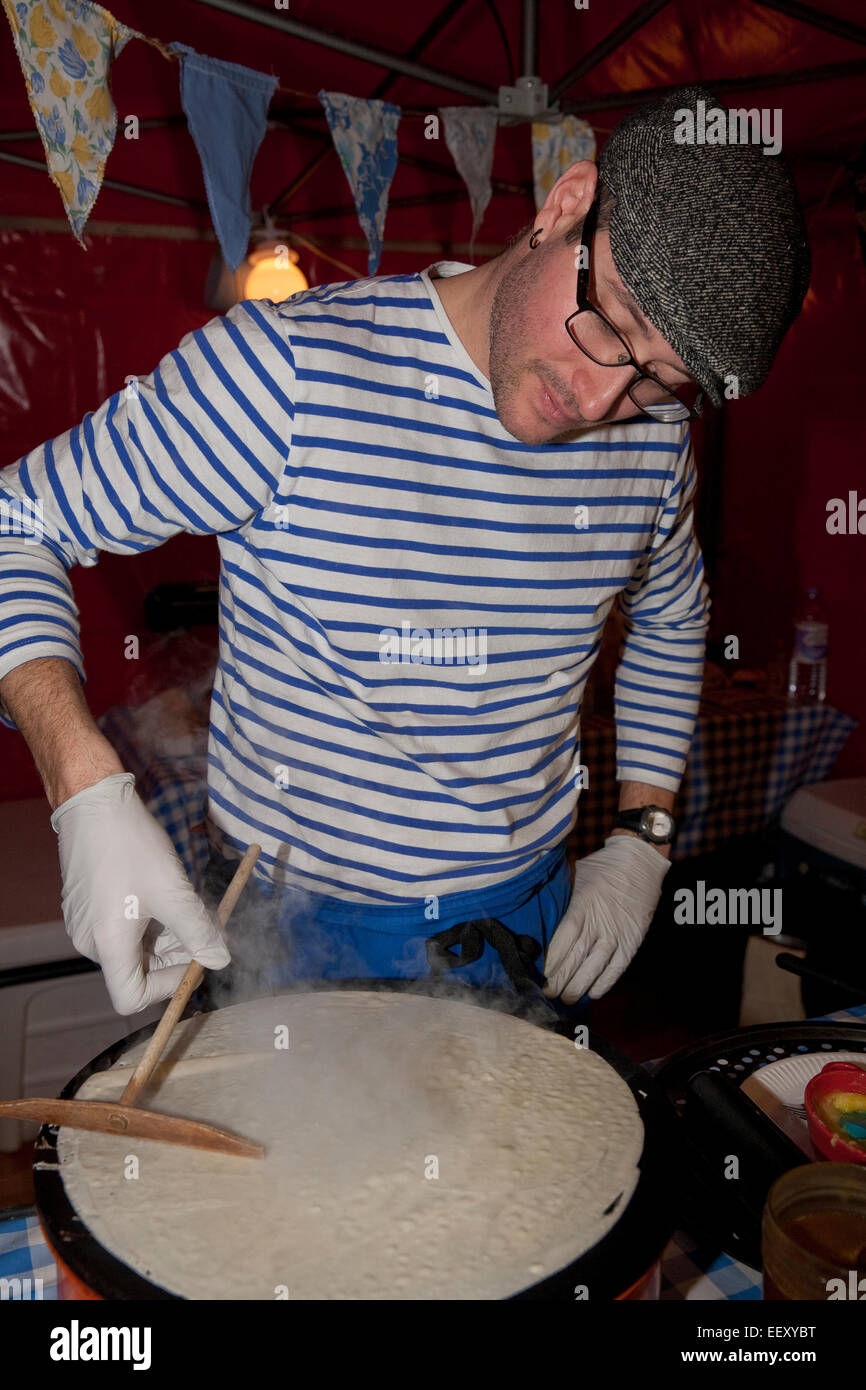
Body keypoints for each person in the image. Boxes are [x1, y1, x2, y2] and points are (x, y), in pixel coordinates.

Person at [0, 85, 810, 1015]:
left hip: (518, 926)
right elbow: (16, 522)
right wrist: (83, 786)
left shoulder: (657, 444)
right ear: (566, 204)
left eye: (659, 381)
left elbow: (673, 619)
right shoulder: (284, 375)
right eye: (609, 322)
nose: (596, 401)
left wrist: (642, 836)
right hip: (292, 934)